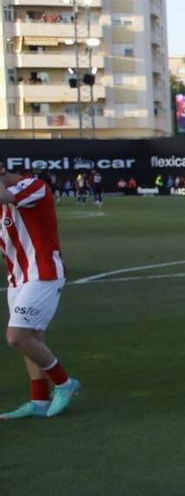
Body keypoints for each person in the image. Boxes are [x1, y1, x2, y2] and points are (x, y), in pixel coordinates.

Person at [0, 170, 79, 418]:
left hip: (43, 273)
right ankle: (39, 401)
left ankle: (65, 383)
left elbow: (6, 196)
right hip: (17, 279)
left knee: (17, 337)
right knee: (32, 339)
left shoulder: (34, 186)